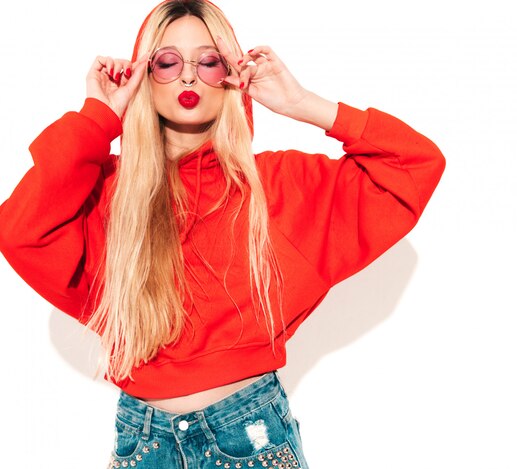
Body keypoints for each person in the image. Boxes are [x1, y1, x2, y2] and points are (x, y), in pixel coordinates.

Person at [0, 0, 446, 467]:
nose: (188, 77)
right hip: (141, 445)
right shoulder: (109, 197)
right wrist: (99, 116)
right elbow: (20, 232)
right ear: (142, 77)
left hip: (249, 442)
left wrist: (302, 104)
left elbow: (414, 166)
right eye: (167, 62)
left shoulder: (277, 186)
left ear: (232, 75)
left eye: (208, 61)